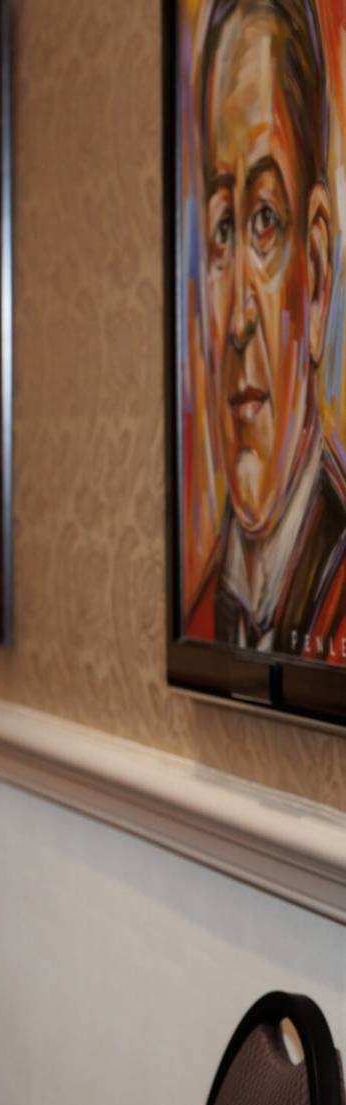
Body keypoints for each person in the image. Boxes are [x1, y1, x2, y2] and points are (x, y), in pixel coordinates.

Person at [185, 0, 346, 660]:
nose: (238, 320)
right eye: (224, 228)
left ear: (314, 269)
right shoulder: (197, 622)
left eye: (264, 222)